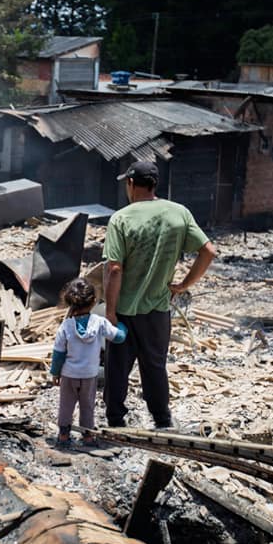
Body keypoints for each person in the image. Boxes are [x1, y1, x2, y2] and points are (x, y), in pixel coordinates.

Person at [103, 161, 216, 429]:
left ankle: (116, 421)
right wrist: (183, 285)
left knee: (117, 368)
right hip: (158, 309)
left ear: (130, 184)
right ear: (155, 184)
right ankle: (162, 420)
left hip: (125, 311)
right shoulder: (179, 213)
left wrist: (110, 311)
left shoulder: (121, 219)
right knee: (155, 366)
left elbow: (115, 269)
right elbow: (208, 251)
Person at [49, 278, 127, 448]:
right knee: (87, 406)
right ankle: (87, 437)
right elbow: (119, 337)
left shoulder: (66, 327)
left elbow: (58, 354)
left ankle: (63, 436)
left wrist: (55, 373)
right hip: (89, 376)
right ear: (93, 301)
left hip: (69, 375)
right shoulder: (99, 323)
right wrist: (123, 326)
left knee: (66, 406)